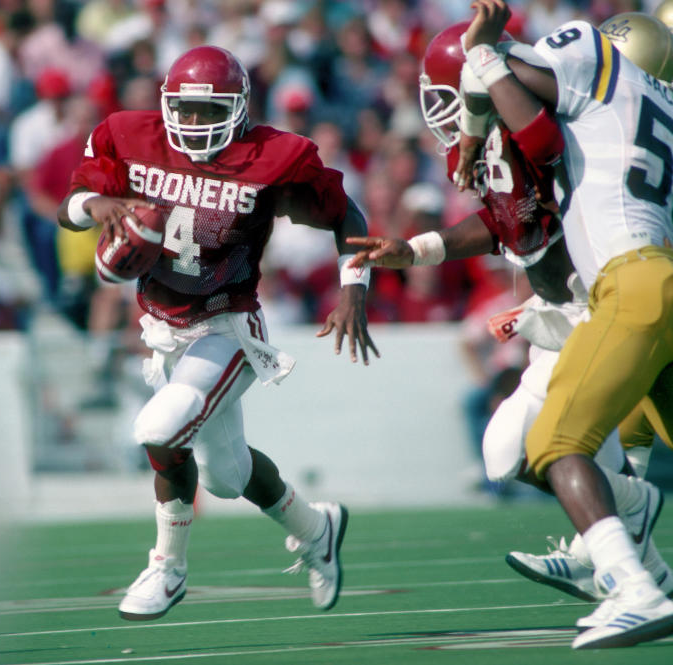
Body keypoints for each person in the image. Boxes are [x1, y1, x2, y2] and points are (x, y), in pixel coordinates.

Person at [347, 16, 673, 610]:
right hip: (599, 297)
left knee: (563, 443)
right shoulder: (559, 124)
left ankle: (625, 570)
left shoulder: (568, 124)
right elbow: (517, 223)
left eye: (455, 92)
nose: (445, 110)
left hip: (609, 302)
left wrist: (489, 72)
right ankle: (629, 543)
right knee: (513, 453)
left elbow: (547, 199)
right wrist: (421, 249)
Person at [57, 45, 377, 621]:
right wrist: (100, 204)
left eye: (211, 111)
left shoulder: (274, 156)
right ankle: (317, 528)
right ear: (166, 104)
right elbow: (69, 206)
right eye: (186, 109)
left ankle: (167, 568)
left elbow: (344, 213)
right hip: (163, 328)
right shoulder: (129, 136)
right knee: (228, 478)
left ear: (240, 109)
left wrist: (353, 287)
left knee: (160, 427)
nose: (196, 122)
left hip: (227, 322)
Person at [458, 0, 673, 649]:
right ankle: (636, 561)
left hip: (630, 284)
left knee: (553, 441)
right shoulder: (658, 112)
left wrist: (483, 53)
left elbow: (531, 121)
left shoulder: (592, 55)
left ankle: (633, 586)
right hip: (656, 277)